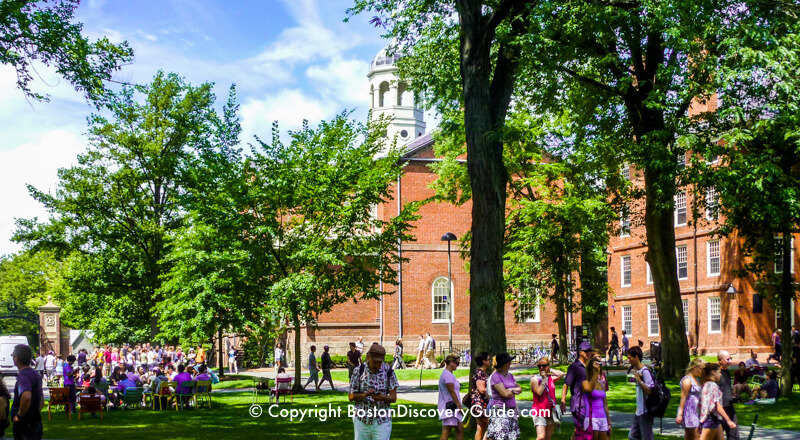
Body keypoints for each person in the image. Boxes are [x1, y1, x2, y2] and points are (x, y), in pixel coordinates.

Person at [349, 343, 399, 440]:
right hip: (362, 420)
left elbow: (393, 398)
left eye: (379, 362)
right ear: (368, 357)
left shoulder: (388, 372)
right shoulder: (359, 371)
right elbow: (351, 396)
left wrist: (382, 397)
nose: (376, 365)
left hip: (382, 420)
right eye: (374, 362)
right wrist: (365, 395)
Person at [485, 352, 522, 440]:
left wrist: (510, 390)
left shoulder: (510, 376)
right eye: (509, 362)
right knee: (500, 437)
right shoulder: (495, 376)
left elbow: (519, 388)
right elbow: (504, 394)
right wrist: (512, 390)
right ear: (504, 364)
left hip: (511, 412)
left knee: (511, 437)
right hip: (500, 411)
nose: (510, 364)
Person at [11, 344, 44, 440]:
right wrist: (35, 413)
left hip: (25, 423)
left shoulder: (23, 376)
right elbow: (41, 398)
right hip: (36, 420)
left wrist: (19, 416)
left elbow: (26, 396)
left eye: (13, 355)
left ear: (16, 358)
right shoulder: (35, 374)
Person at [562, 341, 593, 438]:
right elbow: (566, 384)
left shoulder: (589, 366)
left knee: (580, 430)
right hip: (578, 403)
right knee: (583, 429)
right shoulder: (574, 367)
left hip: (588, 402)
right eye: (586, 351)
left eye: (590, 351)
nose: (589, 353)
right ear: (580, 352)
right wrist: (563, 401)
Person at [699, 363, 736, 440]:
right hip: (711, 419)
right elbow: (717, 405)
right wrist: (728, 420)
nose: (721, 375)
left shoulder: (707, 384)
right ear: (713, 372)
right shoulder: (712, 385)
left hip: (713, 419)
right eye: (719, 372)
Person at [531, 356, 564, 440]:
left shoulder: (551, 378)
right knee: (541, 437)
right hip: (539, 411)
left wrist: (550, 370)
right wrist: (544, 379)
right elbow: (539, 392)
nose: (541, 368)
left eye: (544, 365)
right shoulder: (535, 379)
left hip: (551, 411)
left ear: (548, 366)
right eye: (539, 366)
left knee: (547, 437)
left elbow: (561, 374)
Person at [627, 345, 655, 440]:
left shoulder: (645, 372)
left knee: (647, 437)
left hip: (645, 412)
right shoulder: (639, 371)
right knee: (633, 436)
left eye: (629, 358)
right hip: (639, 411)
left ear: (636, 357)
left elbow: (649, 390)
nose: (628, 360)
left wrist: (639, 381)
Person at [580, 357, 611, 440]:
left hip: (602, 418)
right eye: (595, 367)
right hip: (591, 419)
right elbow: (590, 389)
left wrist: (609, 422)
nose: (598, 369)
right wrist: (595, 373)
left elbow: (605, 404)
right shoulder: (585, 383)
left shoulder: (601, 385)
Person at [676, 358, 704, 440]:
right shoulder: (687, 380)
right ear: (694, 367)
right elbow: (683, 398)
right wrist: (680, 414)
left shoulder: (697, 380)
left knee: (689, 437)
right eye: (701, 369)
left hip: (697, 411)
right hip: (690, 413)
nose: (702, 371)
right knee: (697, 436)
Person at [438, 353, 463, 440]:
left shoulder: (449, 374)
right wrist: (459, 405)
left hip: (453, 407)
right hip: (449, 407)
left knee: (460, 429)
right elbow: (452, 391)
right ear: (451, 362)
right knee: (446, 432)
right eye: (457, 363)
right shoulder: (447, 375)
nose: (457, 365)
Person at [716, 350, 739, 440]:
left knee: (734, 435)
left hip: (730, 406)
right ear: (720, 360)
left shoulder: (727, 372)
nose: (730, 361)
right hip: (720, 408)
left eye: (730, 358)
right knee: (718, 435)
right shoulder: (716, 374)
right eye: (727, 359)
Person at [470, 352, 492, 440]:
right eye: (489, 359)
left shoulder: (483, 372)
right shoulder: (480, 373)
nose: (490, 361)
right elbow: (482, 389)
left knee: (480, 427)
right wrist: (494, 391)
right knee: (493, 425)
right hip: (479, 404)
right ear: (484, 361)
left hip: (481, 404)